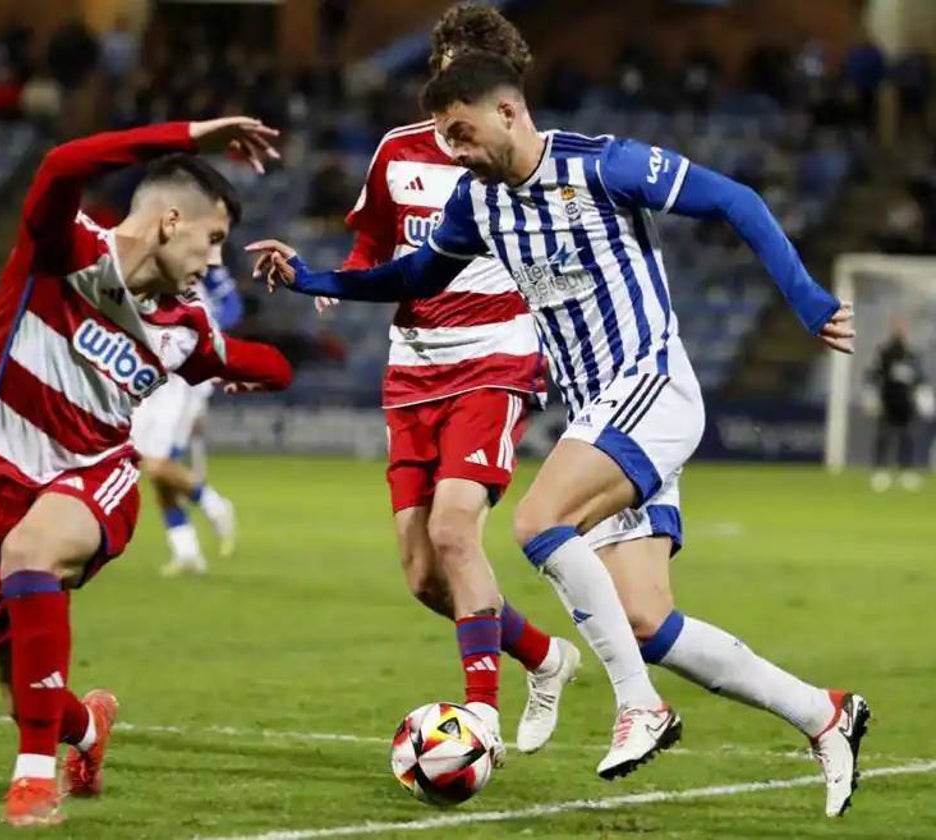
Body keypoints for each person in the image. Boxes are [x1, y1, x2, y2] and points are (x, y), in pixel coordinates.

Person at [249, 52, 869, 814]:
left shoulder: (605, 166)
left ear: (508, 112)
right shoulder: (478, 205)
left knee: (540, 521)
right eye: (445, 138)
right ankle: (825, 714)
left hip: (650, 387)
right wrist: (316, 279)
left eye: (463, 133)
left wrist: (806, 300)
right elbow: (414, 279)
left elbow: (735, 199)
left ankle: (639, 706)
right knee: (646, 619)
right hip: (600, 415)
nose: (454, 151)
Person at [0, 116, 289, 827]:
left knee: (30, 553)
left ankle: (32, 780)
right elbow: (61, 161)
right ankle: (85, 730)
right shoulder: (66, 248)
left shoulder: (186, 326)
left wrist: (250, 366)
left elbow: (271, 364)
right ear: (173, 220)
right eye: (213, 239)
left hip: (96, 477)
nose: (214, 259)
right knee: (22, 688)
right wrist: (194, 134)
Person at [318, 3, 580, 764]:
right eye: (444, 62)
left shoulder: (518, 156)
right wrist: (343, 280)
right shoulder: (397, 150)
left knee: (454, 529)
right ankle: (544, 655)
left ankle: (480, 720)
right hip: (414, 368)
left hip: (495, 358)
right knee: (425, 576)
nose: (450, 78)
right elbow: (372, 240)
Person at [129, 261, 242, 577]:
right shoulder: (147, 257)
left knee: (157, 462)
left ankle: (213, 503)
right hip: (151, 374)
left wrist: (197, 328)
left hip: (184, 379)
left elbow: (233, 308)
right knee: (150, 466)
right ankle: (187, 550)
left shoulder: (205, 263)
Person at [866, 317, 931, 491]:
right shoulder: (885, 354)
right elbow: (874, 375)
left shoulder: (911, 355)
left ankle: (906, 472)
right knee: (884, 437)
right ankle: (880, 471)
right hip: (888, 402)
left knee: (907, 438)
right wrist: (872, 397)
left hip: (906, 404)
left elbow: (919, 379)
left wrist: (923, 398)